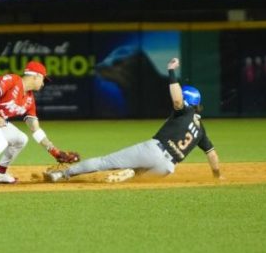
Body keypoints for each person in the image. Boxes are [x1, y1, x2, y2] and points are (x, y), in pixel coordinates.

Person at [43, 57, 221, 183]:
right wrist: (217, 175)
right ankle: (132, 172)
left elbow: (176, 100)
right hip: (166, 168)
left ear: (187, 100)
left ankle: (62, 174)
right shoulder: (200, 130)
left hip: (154, 150)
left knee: (104, 163)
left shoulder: (185, 111)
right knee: (136, 180)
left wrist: (171, 71)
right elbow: (212, 154)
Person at [0, 60, 69, 188]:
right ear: (35, 76)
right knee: (0, 141)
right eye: (43, 79)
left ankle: (0, 173)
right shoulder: (12, 80)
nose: (43, 83)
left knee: (20, 139)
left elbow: (35, 129)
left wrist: (54, 151)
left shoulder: (29, 99)